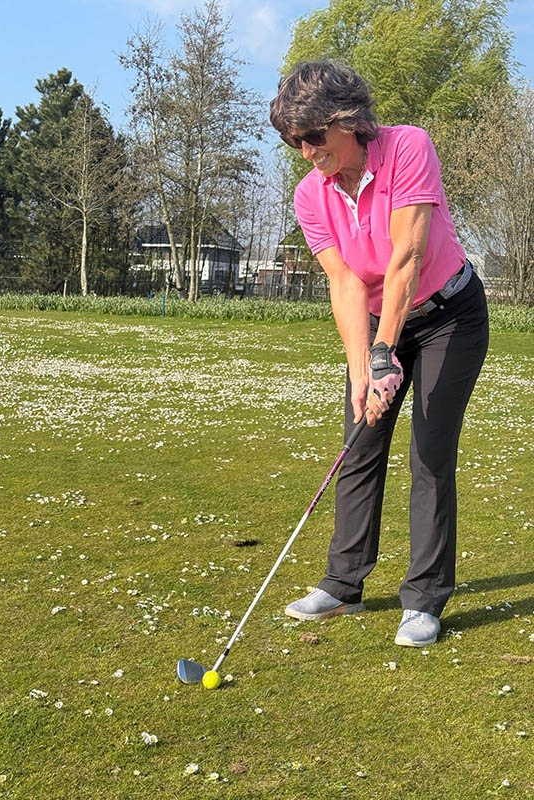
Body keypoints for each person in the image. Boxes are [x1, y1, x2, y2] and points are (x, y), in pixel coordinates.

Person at [269, 61, 489, 647]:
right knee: (359, 443)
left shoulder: (408, 147)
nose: (306, 150)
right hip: (373, 319)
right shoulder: (310, 195)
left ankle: (424, 600)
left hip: (447, 315)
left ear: (346, 119)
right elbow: (344, 283)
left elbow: (406, 259)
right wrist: (361, 368)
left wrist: (386, 353)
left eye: (313, 135)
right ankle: (343, 584)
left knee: (429, 451)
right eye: (294, 141)